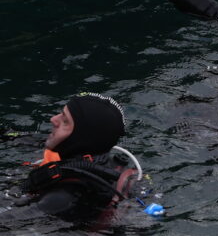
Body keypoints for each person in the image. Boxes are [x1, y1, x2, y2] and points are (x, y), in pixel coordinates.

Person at [7, 93, 143, 222]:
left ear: (81, 137)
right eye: (61, 113)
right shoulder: (102, 160)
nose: (53, 119)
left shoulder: (65, 196)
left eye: (65, 121)